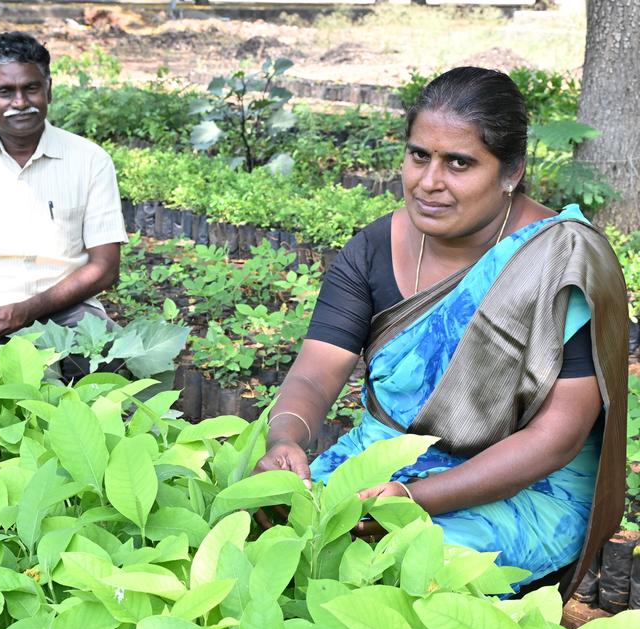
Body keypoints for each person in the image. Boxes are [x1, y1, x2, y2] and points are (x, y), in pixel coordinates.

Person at [255, 67, 627, 595]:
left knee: (411, 575)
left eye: (459, 162)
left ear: (512, 171)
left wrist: (415, 500)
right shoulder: (374, 248)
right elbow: (316, 374)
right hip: (390, 457)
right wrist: (285, 438)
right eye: (418, 155)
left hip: (526, 483)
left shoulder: (560, 260)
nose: (429, 182)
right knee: (273, 531)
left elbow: (557, 437)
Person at [0, 32, 127, 373]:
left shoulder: (90, 160)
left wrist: (27, 310)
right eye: (5, 91)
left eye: (31, 88)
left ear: (49, 90)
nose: (20, 102)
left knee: (110, 364)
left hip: (69, 314)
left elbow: (105, 268)